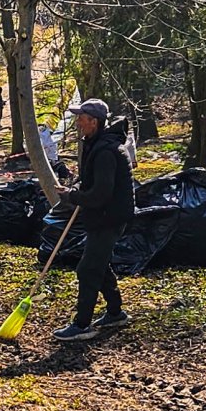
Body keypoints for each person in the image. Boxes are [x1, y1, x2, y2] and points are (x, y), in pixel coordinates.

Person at [52, 98, 135, 343]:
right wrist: (77, 186)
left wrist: (74, 196)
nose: (78, 122)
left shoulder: (106, 151)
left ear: (94, 122)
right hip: (103, 216)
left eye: (81, 118)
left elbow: (101, 194)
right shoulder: (96, 144)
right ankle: (115, 313)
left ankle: (82, 325)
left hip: (110, 217)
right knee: (99, 263)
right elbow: (93, 183)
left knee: (88, 269)